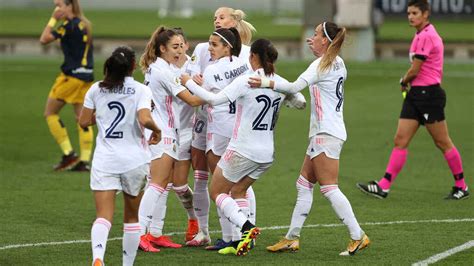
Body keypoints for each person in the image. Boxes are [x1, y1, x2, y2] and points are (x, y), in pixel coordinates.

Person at [249, 22, 370, 256]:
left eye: (315, 35)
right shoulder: (338, 63)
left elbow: (294, 87)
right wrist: (318, 49)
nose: (311, 38)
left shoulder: (320, 65)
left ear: (325, 41)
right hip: (327, 132)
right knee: (304, 184)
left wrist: (266, 82)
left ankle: (358, 235)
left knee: (329, 187)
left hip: (326, 133)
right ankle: (292, 237)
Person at [181, 38, 293, 256]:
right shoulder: (280, 82)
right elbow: (300, 101)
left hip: (243, 149)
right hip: (266, 153)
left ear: (253, 57)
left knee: (216, 190)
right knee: (239, 190)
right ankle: (242, 241)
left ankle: (246, 228)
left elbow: (214, 100)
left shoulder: (247, 80)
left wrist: (189, 82)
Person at [356, 0, 469, 200]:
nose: (410, 16)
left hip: (429, 96)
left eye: (415, 13)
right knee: (400, 140)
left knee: (443, 142)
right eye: (409, 13)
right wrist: (408, 83)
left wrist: (403, 80)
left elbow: (415, 69)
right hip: (416, 95)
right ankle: (384, 186)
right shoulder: (419, 34)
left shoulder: (427, 36)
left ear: (426, 14)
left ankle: (461, 186)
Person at [79, 46, 161, 266]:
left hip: (105, 160)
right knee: (131, 218)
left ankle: (98, 258)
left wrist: (102, 115)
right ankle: (127, 264)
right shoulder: (140, 90)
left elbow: (83, 121)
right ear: (132, 66)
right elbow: (144, 119)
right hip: (135, 160)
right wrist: (158, 129)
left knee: (103, 216)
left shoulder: (96, 89)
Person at [186, 7, 258, 250]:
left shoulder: (214, 69)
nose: (209, 48)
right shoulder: (242, 63)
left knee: (219, 185)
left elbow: (200, 99)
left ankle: (232, 236)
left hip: (218, 130)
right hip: (241, 127)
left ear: (227, 46)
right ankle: (242, 233)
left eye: (214, 44)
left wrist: (185, 84)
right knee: (240, 183)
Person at [137, 26, 205, 252]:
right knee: (156, 185)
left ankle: (155, 233)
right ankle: (140, 234)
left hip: (165, 131)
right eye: (174, 47)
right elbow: (193, 101)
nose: (180, 51)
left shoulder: (158, 67)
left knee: (162, 185)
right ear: (162, 48)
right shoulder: (163, 72)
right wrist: (223, 95)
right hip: (161, 132)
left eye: (181, 46)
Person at [40, 0, 94, 171]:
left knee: (50, 113)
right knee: (82, 118)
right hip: (86, 77)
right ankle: (84, 161)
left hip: (71, 77)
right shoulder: (85, 24)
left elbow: (44, 39)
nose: (57, 9)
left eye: (60, 5)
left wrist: (52, 20)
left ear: (70, 6)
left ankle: (68, 154)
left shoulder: (68, 25)